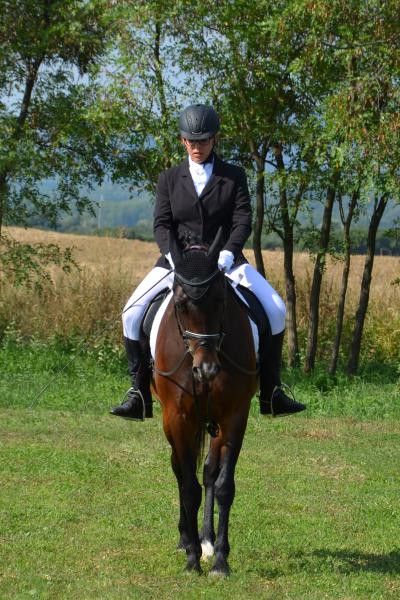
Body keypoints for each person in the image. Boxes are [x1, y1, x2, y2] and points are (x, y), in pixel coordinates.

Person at [110, 104, 306, 420]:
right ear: (183, 141)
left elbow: (242, 219)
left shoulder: (233, 176)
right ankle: (138, 392)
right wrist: (174, 257)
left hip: (227, 262)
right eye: (191, 141)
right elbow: (162, 224)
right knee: (131, 313)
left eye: (202, 141)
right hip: (178, 262)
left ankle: (272, 392)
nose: (197, 147)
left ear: (214, 140)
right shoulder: (169, 178)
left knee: (277, 309)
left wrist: (227, 253)